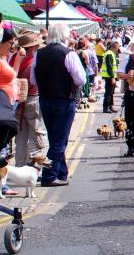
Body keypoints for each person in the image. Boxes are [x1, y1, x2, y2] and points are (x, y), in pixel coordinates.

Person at [32, 23, 87, 187]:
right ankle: (49, 176)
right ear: (64, 35)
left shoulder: (39, 53)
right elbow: (81, 79)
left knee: (55, 138)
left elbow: (33, 79)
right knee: (59, 141)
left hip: (45, 99)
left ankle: (61, 173)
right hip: (64, 100)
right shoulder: (68, 54)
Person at [9, 31, 49, 167]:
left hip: (18, 101)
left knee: (20, 137)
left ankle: (20, 167)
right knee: (35, 135)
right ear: (33, 46)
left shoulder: (13, 58)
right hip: (33, 99)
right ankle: (33, 167)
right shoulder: (34, 60)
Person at [0, 27, 18, 106]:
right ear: (1, 41)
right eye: (11, 43)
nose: (12, 46)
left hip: (8, 102)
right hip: (2, 104)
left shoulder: (3, 57)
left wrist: (18, 59)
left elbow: (14, 75)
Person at [100, 40, 120, 113]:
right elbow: (109, 67)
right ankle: (106, 107)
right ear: (115, 47)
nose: (118, 50)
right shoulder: (109, 54)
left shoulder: (111, 53)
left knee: (111, 93)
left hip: (111, 76)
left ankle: (110, 106)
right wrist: (112, 77)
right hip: (109, 77)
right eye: (118, 48)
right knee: (108, 93)